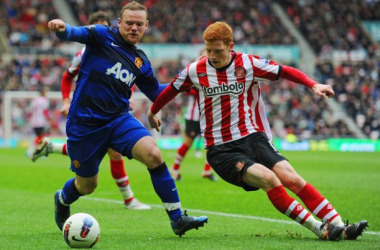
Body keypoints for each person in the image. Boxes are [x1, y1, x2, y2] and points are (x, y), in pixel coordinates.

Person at [147, 21, 368, 241]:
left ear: (230, 46)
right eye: (208, 50)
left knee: (293, 179)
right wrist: (152, 112)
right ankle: (319, 228)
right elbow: (170, 90)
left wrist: (313, 85)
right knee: (269, 179)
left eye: (218, 50)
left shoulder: (248, 64)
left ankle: (340, 226)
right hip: (222, 150)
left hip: (254, 138)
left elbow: (284, 71)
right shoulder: (195, 70)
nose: (212, 55)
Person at [47, 1, 207, 237]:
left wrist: (184, 83)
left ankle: (177, 219)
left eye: (139, 24)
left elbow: (156, 92)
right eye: (129, 23)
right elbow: (74, 33)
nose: (134, 28)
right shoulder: (101, 35)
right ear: (119, 22)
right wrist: (62, 28)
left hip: (118, 120)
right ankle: (62, 198)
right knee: (87, 186)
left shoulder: (140, 60)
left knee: (153, 154)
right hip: (85, 124)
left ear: (146, 26)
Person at [32, 11, 150, 210]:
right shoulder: (83, 55)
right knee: (102, 155)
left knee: (112, 152)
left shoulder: (121, 51)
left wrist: (127, 97)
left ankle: (51, 147)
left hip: (114, 112)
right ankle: (129, 199)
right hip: (88, 113)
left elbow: (125, 77)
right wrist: (65, 101)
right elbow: (66, 77)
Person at [172, 88, 217, 181]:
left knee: (212, 144)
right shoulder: (195, 75)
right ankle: (175, 169)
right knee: (188, 142)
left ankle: (207, 170)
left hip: (208, 117)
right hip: (193, 118)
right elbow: (187, 90)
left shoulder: (213, 77)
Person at [26, 87, 50, 158]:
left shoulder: (34, 100)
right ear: (43, 93)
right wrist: (49, 119)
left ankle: (35, 152)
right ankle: (32, 151)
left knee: (39, 137)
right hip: (41, 122)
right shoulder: (44, 100)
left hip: (33, 122)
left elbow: (30, 111)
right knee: (41, 137)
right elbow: (45, 111)